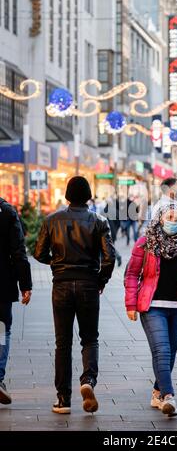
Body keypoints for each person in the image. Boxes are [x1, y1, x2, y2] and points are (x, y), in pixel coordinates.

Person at [34, 176, 116, 414]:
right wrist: (101, 280)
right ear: (89, 196)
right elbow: (109, 257)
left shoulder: (51, 220)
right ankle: (88, 381)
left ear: (68, 196)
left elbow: (38, 252)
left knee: (63, 343)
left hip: (61, 284)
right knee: (90, 338)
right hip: (89, 284)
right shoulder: (99, 221)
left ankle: (63, 400)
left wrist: (55, 263)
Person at [124, 203, 177, 417]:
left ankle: (157, 392)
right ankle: (168, 396)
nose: (174, 220)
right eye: (170, 215)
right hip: (152, 306)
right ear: (160, 218)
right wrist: (131, 304)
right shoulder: (145, 243)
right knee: (162, 350)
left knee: (170, 353)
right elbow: (132, 274)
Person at [0, 197, 32, 405]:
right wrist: (25, 285)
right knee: (2, 328)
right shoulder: (8, 212)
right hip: (2, 283)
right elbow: (18, 251)